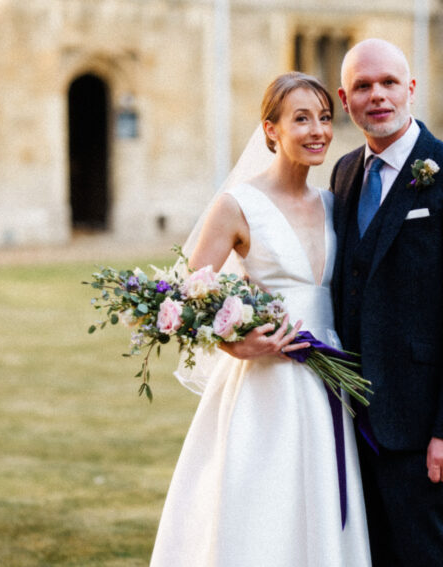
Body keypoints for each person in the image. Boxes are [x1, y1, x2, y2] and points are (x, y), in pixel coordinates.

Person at [150, 72, 371, 566]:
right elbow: (188, 297)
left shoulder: (334, 204)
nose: (317, 130)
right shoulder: (236, 206)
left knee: (320, 505)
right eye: (300, 119)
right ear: (270, 130)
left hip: (327, 380)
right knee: (260, 509)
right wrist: (236, 344)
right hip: (263, 387)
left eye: (324, 118)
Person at [330, 38, 443, 566]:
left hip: (420, 424)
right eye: (363, 86)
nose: (376, 95)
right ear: (345, 98)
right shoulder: (343, 175)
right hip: (346, 422)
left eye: (387, 83)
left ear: (411, 88)